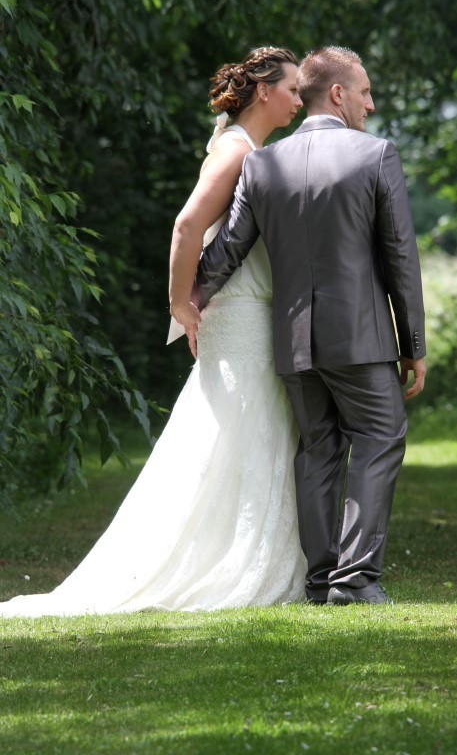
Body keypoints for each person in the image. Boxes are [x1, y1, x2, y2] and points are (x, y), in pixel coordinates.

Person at [0, 47, 306, 617]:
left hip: (249, 313)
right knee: (237, 434)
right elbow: (187, 224)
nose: (298, 98)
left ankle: (236, 550)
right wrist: (180, 304)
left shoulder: (245, 148)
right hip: (240, 316)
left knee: (238, 440)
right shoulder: (238, 152)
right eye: (291, 88)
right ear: (264, 90)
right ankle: (227, 563)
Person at [171, 46, 426, 607]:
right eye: (364, 91)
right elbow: (399, 258)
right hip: (361, 340)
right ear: (337, 93)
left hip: (293, 341)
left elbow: (228, 251)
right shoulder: (377, 155)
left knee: (318, 450)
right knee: (381, 439)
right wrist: (414, 345)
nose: (370, 103)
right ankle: (355, 581)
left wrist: (186, 302)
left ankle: (320, 579)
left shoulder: (264, 164)